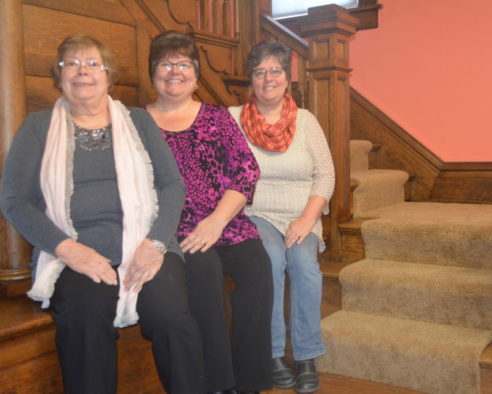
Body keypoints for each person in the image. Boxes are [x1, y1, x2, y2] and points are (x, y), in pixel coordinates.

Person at [0, 35, 207, 394]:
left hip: (146, 244)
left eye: (93, 63)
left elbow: (173, 185)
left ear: (108, 75)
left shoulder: (139, 122)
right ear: (59, 75)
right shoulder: (37, 127)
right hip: (76, 252)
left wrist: (156, 242)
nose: (83, 70)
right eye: (72, 64)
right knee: (84, 317)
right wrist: (67, 249)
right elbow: (14, 200)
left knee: (171, 316)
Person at [145, 31, 273, 394]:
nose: (175, 71)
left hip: (224, 220)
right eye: (165, 63)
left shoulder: (216, 116)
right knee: (205, 272)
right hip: (174, 227)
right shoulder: (136, 122)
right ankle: (218, 382)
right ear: (152, 72)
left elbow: (247, 171)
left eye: (183, 64)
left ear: (196, 74)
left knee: (258, 270)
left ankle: (249, 380)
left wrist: (217, 221)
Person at [228, 41, 335, 394]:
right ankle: (272, 352)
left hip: (301, 214)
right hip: (254, 211)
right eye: (260, 72)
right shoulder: (232, 119)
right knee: (270, 259)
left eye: (275, 70)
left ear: (287, 79)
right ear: (251, 80)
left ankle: (305, 354)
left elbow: (326, 175)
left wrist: (306, 220)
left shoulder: (306, 122)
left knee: (304, 265)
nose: (268, 78)